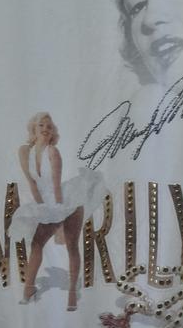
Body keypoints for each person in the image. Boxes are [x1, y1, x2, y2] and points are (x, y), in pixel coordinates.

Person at [10, 112, 109, 311]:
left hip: (66, 202)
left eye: (49, 126)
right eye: (41, 125)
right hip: (47, 204)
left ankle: (72, 292)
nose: (45, 129)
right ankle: (28, 289)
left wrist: (57, 213)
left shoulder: (53, 152)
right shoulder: (25, 152)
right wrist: (41, 209)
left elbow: (56, 187)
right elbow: (32, 184)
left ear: (53, 132)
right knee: (36, 244)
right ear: (33, 128)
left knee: (72, 246)